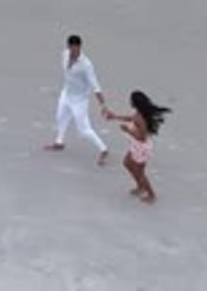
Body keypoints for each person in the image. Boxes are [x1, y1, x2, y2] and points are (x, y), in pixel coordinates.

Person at [44, 34, 109, 165]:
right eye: (71, 47)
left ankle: (103, 149)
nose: (74, 51)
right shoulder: (65, 54)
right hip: (66, 94)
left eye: (76, 48)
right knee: (60, 118)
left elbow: (95, 85)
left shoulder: (86, 64)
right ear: (68, 46)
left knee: (84, 130)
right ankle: (59, 142)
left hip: (79, 100)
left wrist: (103, 104)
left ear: (80, 47)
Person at [107, 90, 171, 203]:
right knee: (127, 163)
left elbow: (141, 137)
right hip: (137, 145)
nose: (129, 101)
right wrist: (116, 117)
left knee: (140, 172)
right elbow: (131, 118)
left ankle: (151, 194)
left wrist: (127, 130)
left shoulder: (141, 118)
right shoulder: (139, 113)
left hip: (141, 147)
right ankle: (140, 187)